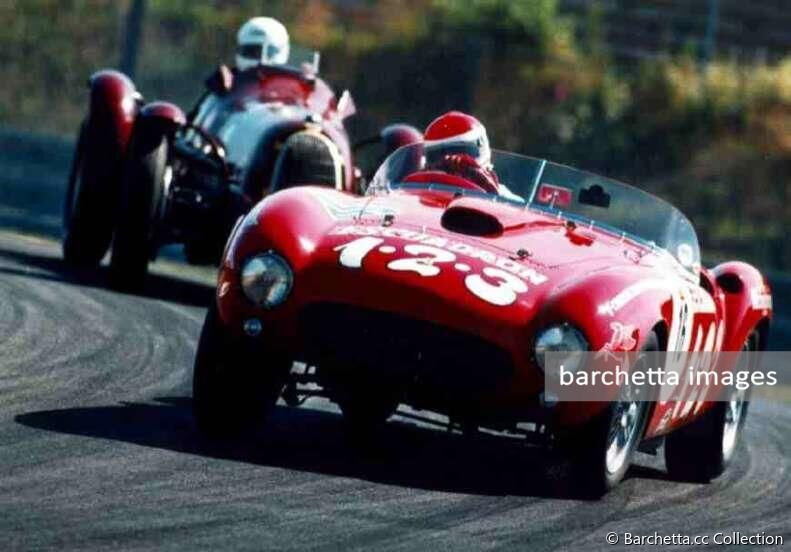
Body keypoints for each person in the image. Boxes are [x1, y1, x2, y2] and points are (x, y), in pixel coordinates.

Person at [413, 111, 521, 200]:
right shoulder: (412, 196)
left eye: (459, 152)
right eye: (436, 156)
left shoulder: (508, 201)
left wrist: (492, 196)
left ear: (480, 147)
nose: (447, 162)